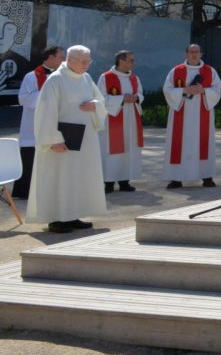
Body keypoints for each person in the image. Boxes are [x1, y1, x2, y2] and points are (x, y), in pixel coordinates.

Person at [27, 45, 107, 233]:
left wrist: (94, 106)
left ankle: (73, 214)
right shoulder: (55, 80)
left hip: (84, 139)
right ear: (69, 60)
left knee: (77, 177)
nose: (87, 65)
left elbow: (100, 100)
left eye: (89, 61)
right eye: (83, 61)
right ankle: (56, 218)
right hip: (61, 141)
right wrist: (53, 139)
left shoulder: (86, 78)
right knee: (60, 178)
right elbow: (46, 112)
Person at [163, 44, 221, 189]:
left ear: (201, 54)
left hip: (203, 113)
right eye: (191, 52)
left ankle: (207, 177)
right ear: (186, 54)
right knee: (178, 144)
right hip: (181, 113)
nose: (194, 54)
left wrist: (204, 91)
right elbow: (167, 90)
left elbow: (217, 90)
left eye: (197, 52)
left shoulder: (210, 71)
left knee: (204, 143)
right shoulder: (176, 71)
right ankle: (176, 178)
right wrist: (184, 90)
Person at [14, 45, 64, 199]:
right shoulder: (32, 76)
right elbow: (24, 98)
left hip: (56, 125)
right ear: (50, 57)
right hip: (34, 126)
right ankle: (24, 192)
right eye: (61, 57)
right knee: (30, 159)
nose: (64, 60)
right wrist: (47, 95)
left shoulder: (64, 77)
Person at [100, 50, 143, 193]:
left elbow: (141, 94)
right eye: (131, 60)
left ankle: (125, 181)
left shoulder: (134, 78)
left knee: (128, 149)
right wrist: (121, 99)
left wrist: (136, 98)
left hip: (131, 119)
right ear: (121, 61)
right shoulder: (106, 77)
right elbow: (101, 99)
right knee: (112, 151)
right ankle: (109, 183)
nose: (133, 63)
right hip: (113, 119)